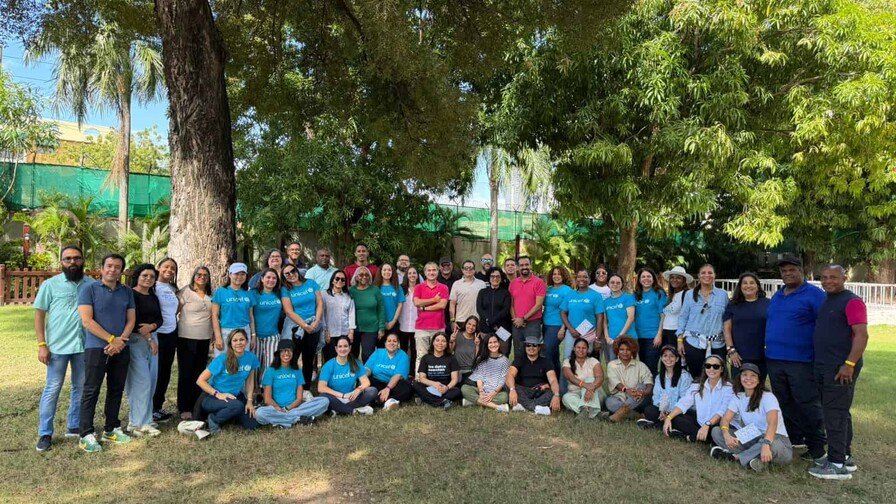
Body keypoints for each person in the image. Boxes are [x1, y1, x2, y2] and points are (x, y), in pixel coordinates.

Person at [764, 254, 827, 463]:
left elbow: (825, 325)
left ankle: (817, 447)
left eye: (792, 270)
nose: (787, 274)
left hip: (801, 361)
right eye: (784, 271)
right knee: (784, 401)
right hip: (774, 359)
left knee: (807, 403)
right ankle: (796, 437)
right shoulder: (778, 295)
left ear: (802, 271)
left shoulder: (814, 295)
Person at [809, 265, 868, 480]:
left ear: (845, 277)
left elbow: (861, 335)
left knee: (834, 414)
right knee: (838, 412)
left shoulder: (852, 301)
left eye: (833, 277)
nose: (828, 281)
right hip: (825, 365)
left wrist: (849, 364)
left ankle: (836, 464)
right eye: (824, 277)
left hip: (840, 367)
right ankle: (845, 455)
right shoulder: (828, 300)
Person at [34, 245, 94, 452]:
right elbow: (39, 315)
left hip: (83, 346)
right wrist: (42, 344)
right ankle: (45, 433)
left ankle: (74, 425)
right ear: (61, 262)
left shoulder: (92, 285)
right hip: (57, 348)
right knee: (52, 389)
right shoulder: (50, 285)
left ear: (83, 260)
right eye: (67, 259)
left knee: (81, 387)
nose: (72, 262)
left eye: (76, 258)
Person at [77, 253, 136, 453]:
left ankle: (111, 428)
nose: (112, 269)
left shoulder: (127, 292)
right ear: (102, 268)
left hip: (121, 348)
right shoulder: (89, 289)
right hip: (96, 347)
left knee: (116, 389)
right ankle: (86, 434)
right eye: (109, 265)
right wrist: (111, 339)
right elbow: (87, 321)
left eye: (117, 267)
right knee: (91, 390)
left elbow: (131, 320)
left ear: (121, 271)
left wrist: (120, 341)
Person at [710, 363, 793, 471]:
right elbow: (725, 419)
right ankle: (755, 460)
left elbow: (773, 423)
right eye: (744, 375)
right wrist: (726, 435)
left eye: (753, 375)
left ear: (758, 380)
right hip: (752, 434)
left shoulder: (768, 397)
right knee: (716, 431)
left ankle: (735, 457)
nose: (748, 378)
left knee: (772, 444)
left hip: (776, 438)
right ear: (740, 378)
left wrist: (766, 444)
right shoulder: (738, 397)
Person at [125, 263, 164, 437]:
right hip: (136, 341)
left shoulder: (153, 296)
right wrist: (149, 338)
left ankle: (145, 420)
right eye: (145, 275)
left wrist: (152, 327)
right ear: (138, 277)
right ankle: (137, 423)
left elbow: (160, 319)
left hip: (153, 340)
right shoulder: (131, 294)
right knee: (141, 382)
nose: (148, 279)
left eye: (152, 276)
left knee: (152, 381)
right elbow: (135, 322)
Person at [196, 329, 259, 434]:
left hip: (235, 396)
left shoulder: (251, 358)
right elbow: (200, 380)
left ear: (246, 341)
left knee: (252, 424)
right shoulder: (222, 359)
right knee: (237, 406)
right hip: (213, 398)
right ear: (230, 343)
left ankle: (228, 415)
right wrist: (218, 394)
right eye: (235, 340)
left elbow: (249, 381)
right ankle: (213, 419)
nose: (239, 343)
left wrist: (249, 401)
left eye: (242, 339)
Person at [255, 339, 329, 427]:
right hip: (275, 409)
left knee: (324, 401)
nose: (286, 353)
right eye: (283, 350)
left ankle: (283, 421)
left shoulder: (297, 370)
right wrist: (278, 409)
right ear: (278, 353)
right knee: (260, 413)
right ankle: (298, 419)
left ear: (293, 353)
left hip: (295, 408)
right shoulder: (270, 371)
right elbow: (267, 399)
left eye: (289, 350)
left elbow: (299, 398)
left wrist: (287, 409)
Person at [662, 354, 734, 443]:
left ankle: (688, 437)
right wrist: (668, 418)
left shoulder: (728, 388)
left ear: (722, 369)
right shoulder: (697, 385)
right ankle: (701, 437)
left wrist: (707, 425)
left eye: (715, 366)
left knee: (716, 431)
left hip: (716, 424)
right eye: (708, 366)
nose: (711, 369)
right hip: (699, 423)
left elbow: (722, 411)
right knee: (676, 418)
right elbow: (684, 402)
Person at [676, 264, 728, 378]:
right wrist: (680, 340)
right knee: (697, 376)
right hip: (694, 343)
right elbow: (683, 317)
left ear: (715, 275)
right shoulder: (689, 295)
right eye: (703, 273)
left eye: (710, 273)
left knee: (717, 376)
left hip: (717, 344)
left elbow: (727, 319)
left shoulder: (723, 295)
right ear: (699, 276)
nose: (707, 275)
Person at [176, 266, 213, 420]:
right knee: (186, 372)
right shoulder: (185, 291)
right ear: (194, 275)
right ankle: (184, 407)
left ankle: (197, 406)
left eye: (205, 275)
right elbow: (175, 311)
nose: (202, 277)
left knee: (200, 372)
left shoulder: (211, 294)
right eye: (199, 274)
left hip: (204, 338)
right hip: (186, 337)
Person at [280, 263, 323, 384]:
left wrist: (317, 321)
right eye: (287, 274)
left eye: (293, 271)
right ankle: (291, 386)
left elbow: (320, 303)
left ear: (297, 271)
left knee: (308, 359)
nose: (291, 274)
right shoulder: (286, 289)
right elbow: (288, 311)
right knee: (292, 358)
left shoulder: (311, 283)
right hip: (296, 327)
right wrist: (304, 325)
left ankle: (306, 388)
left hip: (314, 325)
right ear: (284, 277)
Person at [723, 272, 770, 380]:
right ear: (740, 286)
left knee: (758, 386)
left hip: (762, 355)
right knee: (738, 386)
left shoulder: (768, 304)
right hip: (738, 356)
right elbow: (727, 329)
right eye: (745, 283)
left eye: (752, 283)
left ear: (757, 286)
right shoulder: (733, 305)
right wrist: (731, 350)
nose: (748, 285)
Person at [317, 336, 378, 415]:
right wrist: (342, 395)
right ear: (336, 349)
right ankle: (354, 411)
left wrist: (358, 389)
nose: (343, 349)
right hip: (334, 397)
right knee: (323, 397)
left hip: (351, 397)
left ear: (350, 348)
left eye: (345, 346)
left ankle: (339, 409)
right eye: (340, 346)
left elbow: (366, 382)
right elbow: (321, 387)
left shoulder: (355, 363)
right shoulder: (328, 365)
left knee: (372, 391)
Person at [638, 345, 693, 429]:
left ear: (677, 359)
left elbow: (684, 400)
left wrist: (670, 413)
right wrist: (662, 411)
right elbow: (656, 397)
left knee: (681, 420)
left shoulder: (684, 376)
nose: (668, 359)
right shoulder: (659, 377)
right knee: (649, 410)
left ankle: (657, 425)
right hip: (664, 410)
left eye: (672, 356)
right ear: (661, 358)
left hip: (679, 411)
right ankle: (667, 424)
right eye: (665, 355)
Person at [152, 257, 179, 424]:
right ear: (158, 268)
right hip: (157, 334)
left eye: (173, 268)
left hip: (171, 333)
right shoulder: (152, 286)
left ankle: (158, 406)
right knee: (155, 371)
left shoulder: (172, 288)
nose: (169, 270)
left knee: (165, 371)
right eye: (166, 267)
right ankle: (149, 408)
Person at [560, 269, 605, 368]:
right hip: (572, 333)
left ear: (589, 280)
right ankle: (567, 379)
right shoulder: (570, 294)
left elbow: (600, 318)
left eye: (585, 277)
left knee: (587, 362)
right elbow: (563, 312)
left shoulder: (596, 296)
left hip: (589, 333)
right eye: (579, 276)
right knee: (567, 359)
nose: (582, 279)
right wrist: (571, 329)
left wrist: (597, 339)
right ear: (576, 279)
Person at [506, 335, 561, 415]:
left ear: (539, 348)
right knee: (508, 385)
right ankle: (538, 408)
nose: (531, 348)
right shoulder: (519, 360)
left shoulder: (546, 361)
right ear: (525, 347)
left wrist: (556, 395)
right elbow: (510, 375)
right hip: (522, 390)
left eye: (534, 345)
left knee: (554, 392)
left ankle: (523, 406)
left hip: (539, 391)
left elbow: (553, 380)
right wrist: (512, 390)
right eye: (528, 345)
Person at [603, 336, 652, 422]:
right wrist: (626, 390)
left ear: (632, 351)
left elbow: (649, 384)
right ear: (617, 351)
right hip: (619, 397)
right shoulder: (612, 365)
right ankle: (635, 415)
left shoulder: (641, 365)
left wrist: (644, 392)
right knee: (609, 402)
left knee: (642, 386)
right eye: (621, 349)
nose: (625, 352)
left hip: (638, 399)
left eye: (628, 349)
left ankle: (619, 414)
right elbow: (615, 382)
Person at [413, 262, 449, 372]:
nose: (431, 272)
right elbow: (417, 302)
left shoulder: (443, 287)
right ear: (425, 273)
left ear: (438, 272)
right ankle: (419, 379)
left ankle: (437, 377)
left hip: (438, 327)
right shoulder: (419, 287)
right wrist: (434, 300)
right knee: (421, 356)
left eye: (434, 270)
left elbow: (442, 305)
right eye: (429, 270)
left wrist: (424, 308)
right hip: (421, 328)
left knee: (438, 355)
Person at [508, 256, 547, 359]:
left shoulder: (539, 282)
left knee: (533, 352)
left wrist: (523, 318)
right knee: (518, 352)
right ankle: (519, 370)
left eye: (526, 264)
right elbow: (511, 304)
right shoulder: (513, 283)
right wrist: (516, 320)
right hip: (516, 324)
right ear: (518, 267)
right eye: (521, 265)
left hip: (532, 324)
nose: (524, 267)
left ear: (531, 265)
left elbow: (538, 305)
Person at [211, 263, 253, 356]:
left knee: (242, 360)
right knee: (223, 360)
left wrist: (253, 336)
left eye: (242, 274)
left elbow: (251, 316)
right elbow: (214, 315)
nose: (239, 277)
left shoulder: (248, 293)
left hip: (244, 331)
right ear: (230, 275)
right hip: (226, 331)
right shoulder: (220, 292)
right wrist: (218, 336)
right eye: (236, 274)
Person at [461, 334, 511, 412]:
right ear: (486, 345)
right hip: (481, 390)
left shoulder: (505, 360)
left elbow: (502, 380)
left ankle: (472, 402)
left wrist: (493, 393)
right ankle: (497, 407)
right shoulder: (481, 359)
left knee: (504, 397)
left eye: (495, 342)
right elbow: (479, 377)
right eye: (490, 343)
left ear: (499, 343)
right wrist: (481, 392)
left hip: (496, 392)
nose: (493, 345)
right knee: (464, 388)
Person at [251, 268, 283, 387]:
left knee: (271, 364)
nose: (271, 280)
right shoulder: (254, 293)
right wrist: (253, 335)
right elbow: (249, 314)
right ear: (262, 279)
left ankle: (265, 389)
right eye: (268, 277)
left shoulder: (280, 293)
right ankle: (254, 390)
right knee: (255, 364)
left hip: (273, 335)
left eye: (274, 278)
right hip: (256, 336)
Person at [413, 332, 463, 408]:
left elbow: (454, 379)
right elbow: (422, 378)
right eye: (437, 340)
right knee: (415, 385)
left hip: (445, 388)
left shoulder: (451, 358)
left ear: (447, 344)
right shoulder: (425, 358)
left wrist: (446, 388)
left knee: (457, 391)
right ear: (433, 342)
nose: (440, 343)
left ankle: (428, 400)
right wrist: (434, 384)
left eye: (443, 341)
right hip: (430, 387)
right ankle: (442, 402)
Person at [364, 333, 414, 410]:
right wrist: (363, 378)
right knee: (365, 380)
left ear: (398, 344)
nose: (392, 343)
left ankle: (375, 400)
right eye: (389, 341)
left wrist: (388, 388)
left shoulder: (403, 355)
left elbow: (397, 375)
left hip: (394, 385)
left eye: (394, 341)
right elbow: (368, 368)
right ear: (385, 343)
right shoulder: (378, 352)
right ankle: (387, 401)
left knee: (406, 387)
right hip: (377, 382)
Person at [561, 338, 605, 418]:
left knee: (590, 380)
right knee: (566, 397)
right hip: (575, 393)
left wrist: (591, 388)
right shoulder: (567, 362)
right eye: (578, 347)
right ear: (574, 349)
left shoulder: (593, 361)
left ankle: (586, 411)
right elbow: (571, 377)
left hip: (595, 393)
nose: (581, 350)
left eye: (584, 348)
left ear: (587, 350)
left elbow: (600, 377)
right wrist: (586, 385)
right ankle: (594, 413)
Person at [634, 267, 666, 376]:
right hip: (638, 337)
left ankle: (654, 387)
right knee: (643, 366)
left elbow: (663, 315)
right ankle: (647, 386)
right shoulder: (636, 295)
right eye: (643, 277)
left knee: (651, 367)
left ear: (653, 279)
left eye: (649, 276)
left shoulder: (659, 293)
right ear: (639, 279)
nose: (646, 279)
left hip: (653, 337)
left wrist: (659, 335)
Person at [350, 266, 385, 361]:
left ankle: (367, 371)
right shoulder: (351, 291)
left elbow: (381, 309)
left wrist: (381, 327)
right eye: (361, 275)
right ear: (356, 277)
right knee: (353, 355)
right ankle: (355, 370)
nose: (364, 277)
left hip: (371, 328)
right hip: (354, 329)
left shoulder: (375, 290)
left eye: (367, 275)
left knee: (367, 355)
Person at [543, 266, 573, 376]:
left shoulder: (567, 290)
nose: (556, 276)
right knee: (554, 354)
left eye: (559, 274)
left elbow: (569, 311)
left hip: (557, 326)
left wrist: (563, 328)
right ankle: (558, 379)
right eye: (554, 274)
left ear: (564, 276)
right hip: (545, 325)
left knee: (546, 352)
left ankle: (549, 379)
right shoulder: (548, 289)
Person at [476, 266, 512, 355]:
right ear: (489, 277)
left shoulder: (505, 293)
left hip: (501, 328)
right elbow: (479, 308)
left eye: (497, 276)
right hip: (485, 327)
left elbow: (505, 310)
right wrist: (488, 319)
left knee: (503, 353)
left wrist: (493, 320)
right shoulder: (482, 292)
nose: (495, 278)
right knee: (484, 353)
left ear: (501, 278)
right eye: (492, 276)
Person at [321, 270, 355, 362]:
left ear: (345, 282)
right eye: (337, 278)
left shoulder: (348, 296)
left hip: (344, 332)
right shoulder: (324, 295)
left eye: (342, 279)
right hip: (330, 333)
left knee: (344, 359)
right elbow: (322, 314)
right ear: (332, 280)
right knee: (329, 359)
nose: (340, 281)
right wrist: (325, 331)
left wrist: (351, 332)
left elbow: (351, 314)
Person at [603, 273, 638, 362]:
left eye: (618, 283)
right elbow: (605, 322)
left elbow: (631, 318)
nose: (615, 284)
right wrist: (607, 337)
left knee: (630, 365)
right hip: (612, 339)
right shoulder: (605, 302)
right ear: (608, 284)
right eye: (612, 282)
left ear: (622, 284)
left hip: (629, 337)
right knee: (613, 365)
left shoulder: (628, 298)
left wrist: (620, 336)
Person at [449, 260, 486, 332]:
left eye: (471, 268)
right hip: (461, 320)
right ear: (462, 270)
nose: (468, 270)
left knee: (476, 339)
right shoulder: (456, 284)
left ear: (474, 270)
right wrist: (452, 321)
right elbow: (452, 304)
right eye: (466, 268)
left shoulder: (481, 284)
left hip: (476, 321)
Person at [661, 266, 692, 346]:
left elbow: (689, 316)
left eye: (678, 278)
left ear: (684, 280)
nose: (674, 280)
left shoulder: (687, 294)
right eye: (672, 277)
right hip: (665, 332)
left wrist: (680, 338)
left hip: (676, 333)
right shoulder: (671, 295)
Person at [375, 263, 405, 337]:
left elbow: (400, 305)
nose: (387, 272)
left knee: (393, 343)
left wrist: (393, 321)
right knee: (379, 344)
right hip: (378, 323)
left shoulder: (398, 287)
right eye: (384, 270)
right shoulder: (375, 288)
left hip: (393, 323)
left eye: (389, 270)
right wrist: (382, 323)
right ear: (380, 272)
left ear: (393, 272)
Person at [398, 266, 419, 361]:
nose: (412, 275)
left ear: (417, 275)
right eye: (410, 273)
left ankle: (412, 369)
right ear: (406, 275)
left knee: (415, 351)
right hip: (403, 325)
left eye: (414, 273)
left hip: (417, 325)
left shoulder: (421, 288)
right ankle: (404, 369)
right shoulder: (401, 289)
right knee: (403, 350)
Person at [450, 315, 480, 382]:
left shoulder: (477, 338)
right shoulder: (457, 335)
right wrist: (452, 341)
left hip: (470, 370)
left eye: (474, 325)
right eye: (469, 324)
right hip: (457, 369)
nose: (471, 327)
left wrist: (477, 345)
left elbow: (476, 357)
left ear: (476, 327)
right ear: (465, 324)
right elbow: (450, 351)